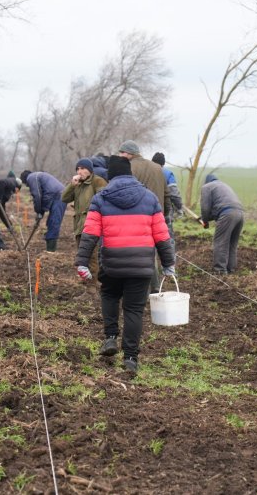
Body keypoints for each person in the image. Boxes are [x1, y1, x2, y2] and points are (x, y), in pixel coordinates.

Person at [74, 155, 175, 373]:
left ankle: (110, 338)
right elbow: (162, 235)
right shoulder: (150, 199)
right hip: (141, 265)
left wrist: (82, 261)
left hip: (112, 263)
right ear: (130, 173)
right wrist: (169, 263)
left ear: (110, 175)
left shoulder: (101, 199)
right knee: (134, 310)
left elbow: (89, 234)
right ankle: (130, 358)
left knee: (109, 296)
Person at [119, 140, 171, 290]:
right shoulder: (157, 168)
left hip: (136, 216)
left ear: (129, 153)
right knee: (151, 252)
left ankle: (142, 289)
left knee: (137, 254)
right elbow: (167, 195)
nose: (120, 156)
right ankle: (154, 287)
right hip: (157, 216)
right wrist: (164, 216)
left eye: (121, 152)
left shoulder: (128, 167)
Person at [199, 173, 245, 275]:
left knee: (220, 242)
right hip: (240, 214)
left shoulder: (206, 187)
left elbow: (205, 208)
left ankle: (220, 270)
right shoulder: (224, 185)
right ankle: (230, 269)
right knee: (232, 244)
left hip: (227, 214)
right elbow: (219, 208)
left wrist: (205, 221)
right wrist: (205, 218)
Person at [62, 158, 108, 246]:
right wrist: (72, 185)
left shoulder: (98, 181)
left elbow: (104, 202)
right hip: (79, 227)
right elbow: (64, 198)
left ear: (90, 170)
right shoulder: (77, 184)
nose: (79, 172)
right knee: (81, 257)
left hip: (93, 228)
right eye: (78, 169)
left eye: (83, 169)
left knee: (93, 257)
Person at [20, 170, 66, 252]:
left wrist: (39, 212)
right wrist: (40, 212)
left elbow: (37, 196)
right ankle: (50, 247)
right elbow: (43, 195)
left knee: (54, 222)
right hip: (57, 195)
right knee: (51, 222)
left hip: (59, 195)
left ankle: (51, 251)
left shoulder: (31, 178)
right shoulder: (37, 176)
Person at [151, 152, 183, 237]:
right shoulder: (168, 174)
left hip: (148, 210)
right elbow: (174, 194)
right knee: (167, 237)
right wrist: (179, 208)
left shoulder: (146, 172)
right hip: (164, 210)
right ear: (163, 163)